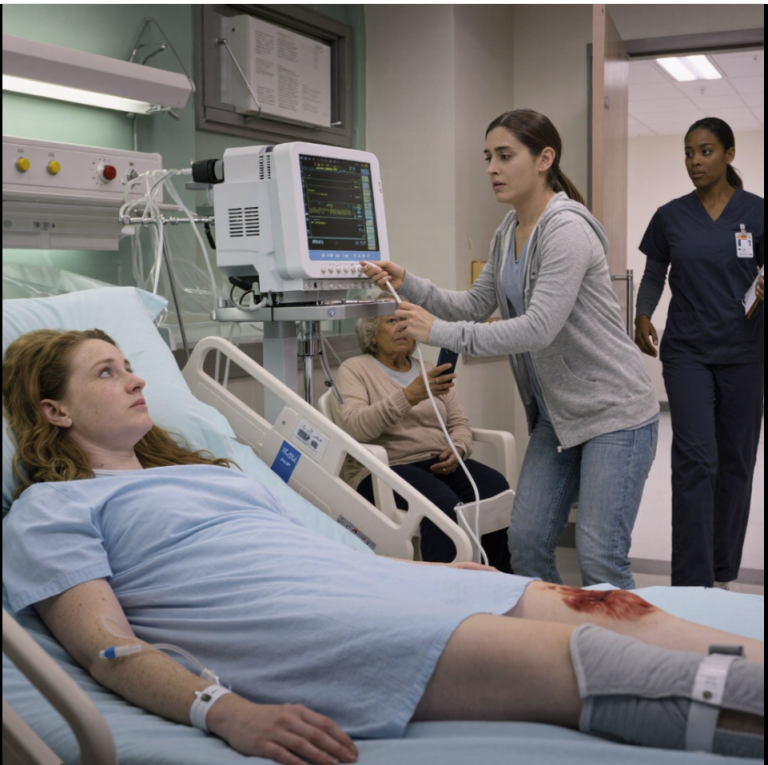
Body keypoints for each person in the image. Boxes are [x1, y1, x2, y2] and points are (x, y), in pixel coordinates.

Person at [2, 329, 764, 765]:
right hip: (316, 628)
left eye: (131, 364)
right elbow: (106, 646)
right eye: (109, 372)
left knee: (612, 604)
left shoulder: (213, 471)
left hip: (369, 586)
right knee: (614, 670)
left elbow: (310, 548)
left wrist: (421, 572)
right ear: (54, 409)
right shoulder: (51, 507)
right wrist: (222, 710)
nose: (136, 380)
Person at [362, 109, 659, 589]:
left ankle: (616, 659)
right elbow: (475, 304)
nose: (491, 168)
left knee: (600, 558)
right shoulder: (508, 230)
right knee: (526, 542)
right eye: (488, 157)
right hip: (558, 418)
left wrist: (436, 331)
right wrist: (408, 283)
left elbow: (536, 328)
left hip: (615, 413)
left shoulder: (566, 230)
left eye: (504, 156)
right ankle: (554, 642)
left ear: (545, 159)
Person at [634, 117, 764, 589]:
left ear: (729, 154)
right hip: (687, 351)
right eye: (688, 153)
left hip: (745, 353)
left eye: (705, 151)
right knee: (695, 459)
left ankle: (722, 570)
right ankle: (692, 580)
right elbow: (654, 274)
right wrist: (643, 313)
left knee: (735, 462)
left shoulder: (758, 212)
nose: (694, 161)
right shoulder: (671, 216)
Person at [330, 296, 512, 571]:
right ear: (372, 335)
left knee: (495, 488)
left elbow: (459, 422)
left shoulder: (429, 370)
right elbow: (357, 427)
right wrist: (409, 396)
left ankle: (494, 577)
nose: (402, 328)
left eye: (406, 321)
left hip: (437, 462)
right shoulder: (355, 370)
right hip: (385, 469)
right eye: (392, 321)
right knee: (442, 506)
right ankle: (443, 587)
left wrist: (459, 448)